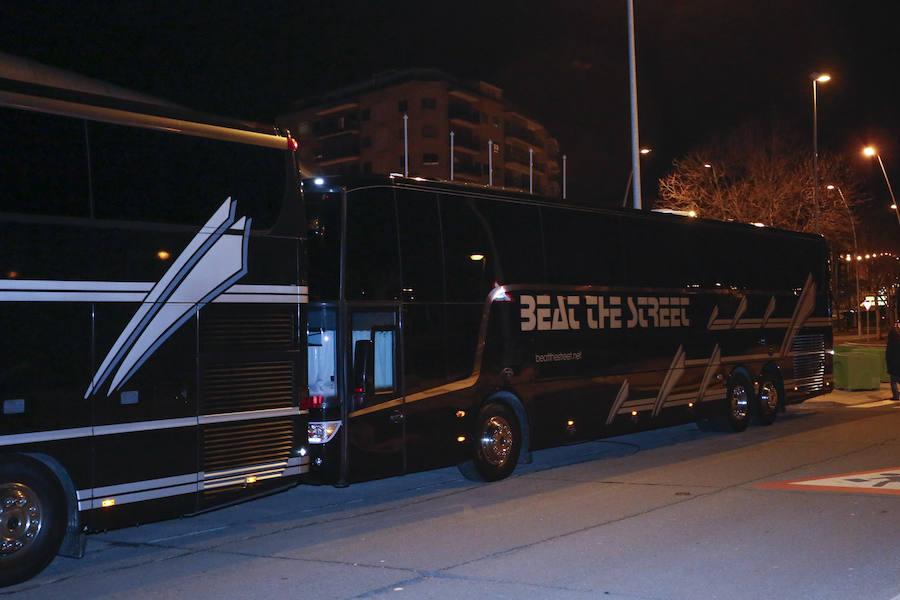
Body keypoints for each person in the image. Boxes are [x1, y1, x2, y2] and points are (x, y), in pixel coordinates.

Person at [887, 327, 900, 400]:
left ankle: (896, 396)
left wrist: (889, 366)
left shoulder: (890, 344)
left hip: (893, 366)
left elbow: (888, 356)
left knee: (893, 381)